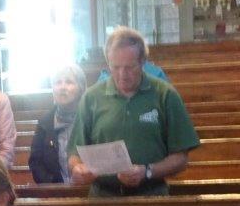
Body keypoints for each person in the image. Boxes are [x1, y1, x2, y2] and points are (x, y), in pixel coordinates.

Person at [68, 26, 200, 196]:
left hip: (151, 195)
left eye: (130, 67)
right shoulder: (91, 98)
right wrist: (78, 168)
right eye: (115, 67)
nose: (122, 74)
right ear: (108, 63)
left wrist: (147, 171)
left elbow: (181, 158)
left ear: (143, 62)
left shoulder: (165, 94)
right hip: (103, 197)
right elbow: (74, 152)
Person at [28, 65, 86, 184]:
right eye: (58, 82)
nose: (62, 87)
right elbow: (35, 162)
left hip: (89, 190)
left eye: (69, 82)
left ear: (81, 88)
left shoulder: (90, 118)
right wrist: (54, 186)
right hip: (55, 191)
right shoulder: (44, 123)